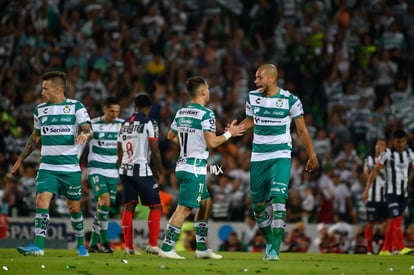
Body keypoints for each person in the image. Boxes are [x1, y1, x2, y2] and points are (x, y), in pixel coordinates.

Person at [158, 76, 245, 260]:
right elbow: (213, 142)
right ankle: (166, 248)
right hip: (194, 169)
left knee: (205, 203)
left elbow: (171, 136)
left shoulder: (181, 112)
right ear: (203, 91)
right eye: (208, 89)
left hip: (183, 166)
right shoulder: (207, 114)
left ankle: (202, 248)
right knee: (185, 208)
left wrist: (189, 147)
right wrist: (230, 133)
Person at [239, 64, 319, 261]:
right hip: (258, 156)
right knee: (257, 206)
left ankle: (274, 249)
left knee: (278, 198)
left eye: (259, 78)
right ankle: (271, 242)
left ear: (271, 79)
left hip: (281, 154)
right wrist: (236, 129)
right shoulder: (252, 97)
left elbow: (302, 131)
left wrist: (312, 155)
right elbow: (251, 121)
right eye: (255, 78)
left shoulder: (290, 100)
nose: (256, 81)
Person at [11, 71, 92, 256]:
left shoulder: (75, 107)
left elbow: (89, 129)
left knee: (74, 208)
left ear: (58, 89)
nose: (42, 92)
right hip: (47, 166)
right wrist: (19, 160)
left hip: (69, 167)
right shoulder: (40, 110)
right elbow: (35, 137)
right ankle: (39, 246)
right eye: (42, 88)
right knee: (41, 200)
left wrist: (84, 135)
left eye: (45, 89)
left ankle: (81, 245)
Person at [117, 93, 165, 255]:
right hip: (141, 169)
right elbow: (155, 149)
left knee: (129, 206)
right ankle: (152, 244)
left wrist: (121, 167)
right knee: (156, 205)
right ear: (149, 108)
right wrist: (160, 170)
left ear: (135, 107)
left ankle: (129, 247)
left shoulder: (123, 124)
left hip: (124, 168)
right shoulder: (149, 123)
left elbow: (119, 151)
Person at [362, 129, 414, 255]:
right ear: (393, 141)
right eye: (397, 142)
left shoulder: (410, 154)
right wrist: (367, 189)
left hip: (403, 193)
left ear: (405, 141)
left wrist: (409, 183)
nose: (400, 144)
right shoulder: (387, 153)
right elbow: (374, 171)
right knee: (396, 218)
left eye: (402, 142)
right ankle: (400, 247)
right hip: (390, 192)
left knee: (394, 220)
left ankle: (385, 249)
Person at [87, 97, 124, 253]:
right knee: (105, 202)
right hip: (96, 169)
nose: (114, 115)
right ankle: (105, 243)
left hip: (112, 171)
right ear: (104, 109)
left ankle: (94, 244)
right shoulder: (93, 125)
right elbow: (81, 145)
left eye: (117, 111)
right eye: (111, 111)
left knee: (103, 208)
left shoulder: (122, 125)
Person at [362, 138, 387, 254]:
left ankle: (386, 248)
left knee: (389, 223)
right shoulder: (369, 160)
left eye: (381, 145)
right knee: (370, 223)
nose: (379, 146)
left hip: (386, 196)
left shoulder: (389, 160)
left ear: (385, 148)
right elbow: (366, 175)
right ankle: (369, 249)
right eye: (377, 144)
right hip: (372, 196)